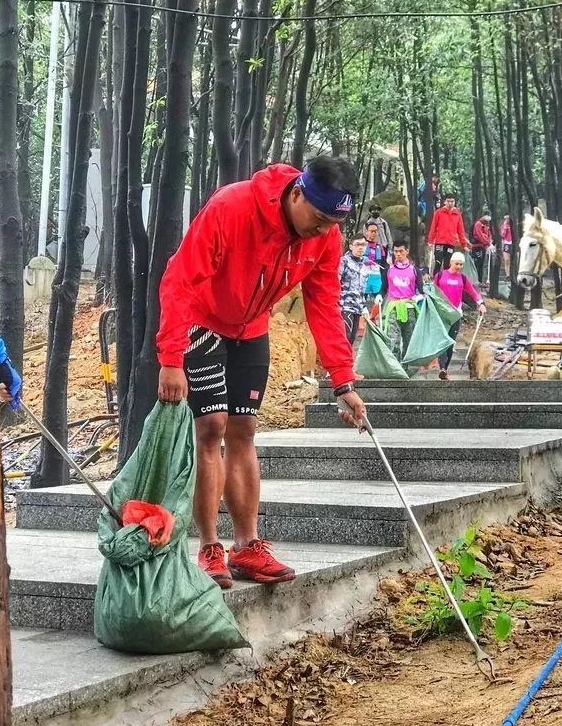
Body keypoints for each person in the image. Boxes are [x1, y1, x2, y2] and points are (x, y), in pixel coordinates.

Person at [155, 157, 368, 588]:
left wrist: (342, 380)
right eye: (320, 218)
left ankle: (247, 545)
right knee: (211, 426)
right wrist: (171, 358)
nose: (324, 231)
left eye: (334, 224)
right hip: (203, 322)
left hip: (251, 330)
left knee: (245, 430)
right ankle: (210, 546)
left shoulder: (325, 238)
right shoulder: (232, 207)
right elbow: (180, 279)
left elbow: (323, 305)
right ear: (296, 194)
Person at [433, 251, 486, 380]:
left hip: (456, 313)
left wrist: (481, 303)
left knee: (451, 342)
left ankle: (445, 368)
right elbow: (432, 291)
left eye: (461, 264)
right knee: (442, 341)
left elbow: (473, 292)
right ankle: (442, 368)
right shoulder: (440, 276)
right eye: (457, 263)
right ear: (451, 262)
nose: (458, 266)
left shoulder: (462, 278)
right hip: (442, 312)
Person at [383, 241, 423, 359]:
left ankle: (407, 367)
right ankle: (395, 367)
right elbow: (384, 288)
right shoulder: (389, 269)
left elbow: (421, 289)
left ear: (407, 251)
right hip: (393, 307)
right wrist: (379, 296)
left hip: (409, 307)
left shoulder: (414, 270)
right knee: (392, 340)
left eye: (401, 251)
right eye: (396, 251)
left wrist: (420, 296)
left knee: (409, 339)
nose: (398, 254)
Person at [427, 194, 469, 274]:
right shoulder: (438, 213)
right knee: (438, 262)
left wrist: (464, 245)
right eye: (448, 201)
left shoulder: (457, 214)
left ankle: (445, 282)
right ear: (444, 202)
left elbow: (460, 231)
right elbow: (433, 227)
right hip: (440, 242)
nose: (450, 203)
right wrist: (430, 240)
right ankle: (435, 281)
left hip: (450, 243)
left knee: (448, 264)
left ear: (455, 202)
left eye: (452, 201)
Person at [339, 235, 369, 346]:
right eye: (357, 244)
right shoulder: (344, 262)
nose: (360, 248)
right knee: (345, 337)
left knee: (352, 338)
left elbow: (362, 289)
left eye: (363, 245)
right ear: (351, 246)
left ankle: (347, 362)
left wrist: (364, 306)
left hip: (358, 307)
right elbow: (336, 281)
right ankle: (342, 362)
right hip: (345, 305)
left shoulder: (364, 266)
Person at [363, 222, 388, 303]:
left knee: (380, 301)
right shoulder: (361, 245)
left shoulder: (380, 247)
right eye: (371, 231)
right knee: (361, 301)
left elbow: (383, 264)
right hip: (363, 277)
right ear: (366, 232)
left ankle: (373, 316)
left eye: (375, 231)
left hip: (376, 277)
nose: (373, 233)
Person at [471, 212, 494, 288]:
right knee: (477, 263)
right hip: (477, 246)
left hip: (483, 247)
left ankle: (480, 281)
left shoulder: (487, 225)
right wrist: (487, 242)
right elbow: (479, 235)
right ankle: (475, 280)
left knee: (481, 264)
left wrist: (490, 242)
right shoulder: (478, 224)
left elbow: (489, 234)